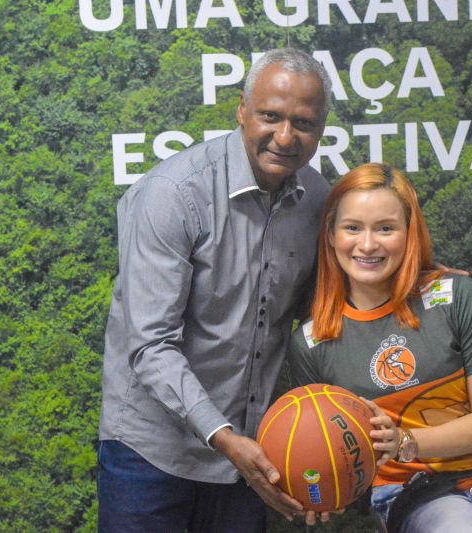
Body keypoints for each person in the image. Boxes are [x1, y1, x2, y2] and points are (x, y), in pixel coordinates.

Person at [98, 48, 333, 532]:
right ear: (241, 110)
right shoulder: (173, 193)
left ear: (322, 127)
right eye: (270, 116)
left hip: (248, 456)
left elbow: (331, 316)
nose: (285, 137)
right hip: (150, 452)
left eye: (303, 123)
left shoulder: (318, 200)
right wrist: (224, 437)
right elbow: (150, 346)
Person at [288, 163, 472, 532]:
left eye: (385, 228)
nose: (368, 244)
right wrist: (322, 486)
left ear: (410, 233)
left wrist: (405, 441)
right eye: (352, 227)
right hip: (412, 488)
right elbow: (322, 449)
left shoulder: (458, 295)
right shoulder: (311, 342)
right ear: (330, 235)